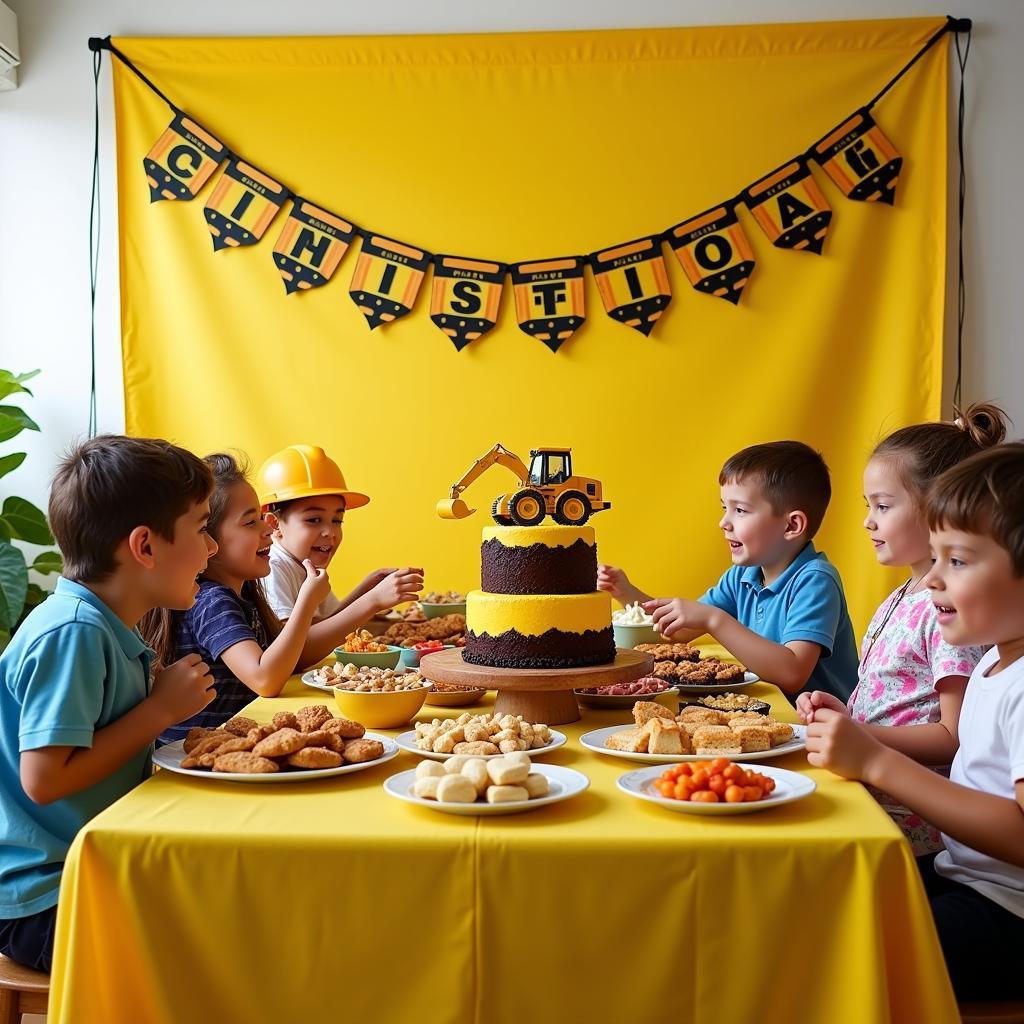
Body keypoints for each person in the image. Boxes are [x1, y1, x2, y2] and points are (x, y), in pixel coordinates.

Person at [806, 443, 1024, 1001]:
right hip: (965, 879)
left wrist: (877, 761)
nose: (932, 579)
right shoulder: (994, 667)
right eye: (937, 556)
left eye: (958, 560)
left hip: (1006, 915)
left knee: (836, 956)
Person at [0, 436, 218, 971]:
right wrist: (160, 712)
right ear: (144, 546)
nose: (212, 548)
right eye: (201, 528)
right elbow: (44, 781)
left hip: (91, 867)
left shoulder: (100, 626)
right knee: (220, 944)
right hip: (46, 899)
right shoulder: (73, 633)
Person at [798, 404, 1005, 853]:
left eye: (884, 505)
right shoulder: (900, 599)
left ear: (937, 510)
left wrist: (862, 739)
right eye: (867, 505)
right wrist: (845, 717)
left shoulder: (946, 612)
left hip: (912, 830)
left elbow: (952, 739)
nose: (868, 520)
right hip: (869, 801)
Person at [599, 440, 857, 702]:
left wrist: (714, 620)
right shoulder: (741, 577)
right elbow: (677, 630)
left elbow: (792, 674)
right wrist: (626, 592)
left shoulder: (815, 581)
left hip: (823, 730)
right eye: (725, 508)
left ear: (792, 525)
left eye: (740, 510)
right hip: (769, 712)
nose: (724, 522)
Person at [145, 452, 331, 745]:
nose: (269, 529)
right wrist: (306, 601)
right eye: (250, 522)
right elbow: (264, 679)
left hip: (236, 745)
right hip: (197, 756)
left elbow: (287, 659)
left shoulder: (242, 596)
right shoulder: (211, 600)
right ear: (208, 539)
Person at [257, 444, 422, 662]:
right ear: (274, 524)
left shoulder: (305, 566)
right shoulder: (273, 569)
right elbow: (298, 652)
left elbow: (327, 626)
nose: (329, 532)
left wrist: (363, 591)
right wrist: (372, 601)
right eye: (314, 520)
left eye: (337, 520)